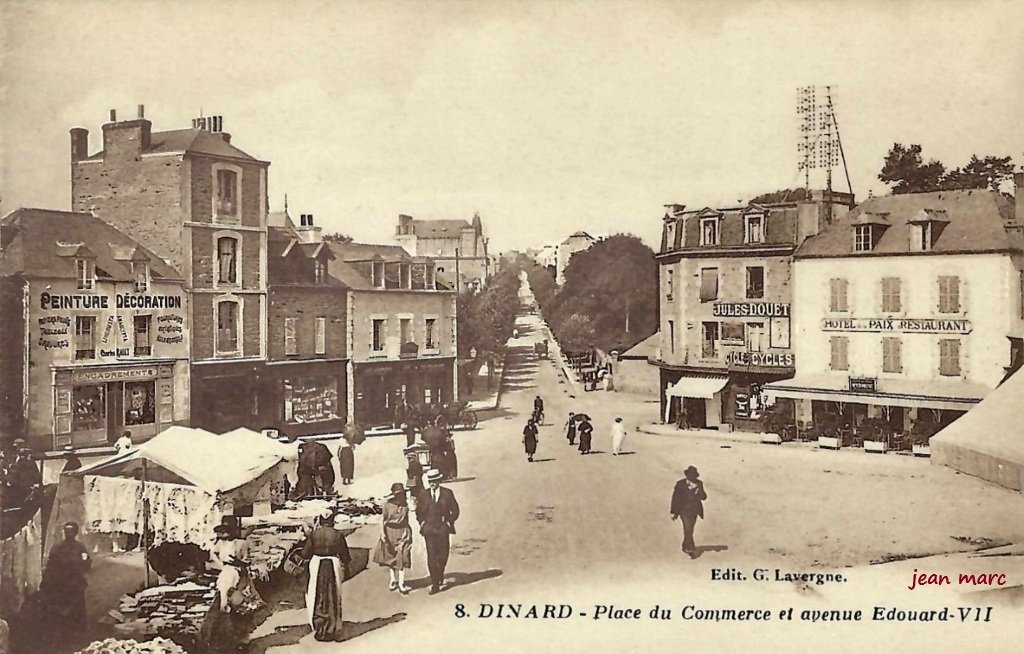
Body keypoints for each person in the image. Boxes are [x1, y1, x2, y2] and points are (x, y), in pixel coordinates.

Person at [301, 511, 352, 641]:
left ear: (321, 521)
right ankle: (332, 627)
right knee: (333, 595)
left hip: (317, 564)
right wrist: (346, 569)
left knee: (317, 595)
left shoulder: (314, 534)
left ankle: (320, 627)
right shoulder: (338, 535)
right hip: (333, 564)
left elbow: (305, 554)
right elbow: (345, 556)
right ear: (332, 520)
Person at [40, 522, 91, 639]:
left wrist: (82, 567)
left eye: (71, 532)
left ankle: (77, 629)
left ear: (75, 533)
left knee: (77, 606)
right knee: (62, 606)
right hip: (61, 583)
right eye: (67, 531)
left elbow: (86, 561)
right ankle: (64, 630)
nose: (69, 534)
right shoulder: (57, 548)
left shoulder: (80, 547)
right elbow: (50, 566)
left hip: (75, 582)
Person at [415, 469, 460, 595]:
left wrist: (449, 521)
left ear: (438, 481)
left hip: (442, 529)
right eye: (430, 481)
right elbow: (418, 511)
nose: (432, 484)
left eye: (434, 481)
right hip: (429, 529)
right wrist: (422, 522)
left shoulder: (447, 493)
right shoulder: (423, 494)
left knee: (443, 555)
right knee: (431, 556)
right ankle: (435, 583)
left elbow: (455, 510)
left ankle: (439, 573)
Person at [374, 483, 413, 595]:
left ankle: (401, 583)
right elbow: (383, 520)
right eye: (398, 494)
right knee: (391, 557)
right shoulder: (386, 505)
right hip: (389, 531)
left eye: (402, 494)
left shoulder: (406, 506)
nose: (401, 496)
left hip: (403, 531)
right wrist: (382, 533)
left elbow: (412, 512)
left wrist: (412, 502)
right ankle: (393, 580)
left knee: (403, 557)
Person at [670, 466, 708, 556]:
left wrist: (699, 492)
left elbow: (704, 497)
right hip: (683, 510)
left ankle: (685, 545)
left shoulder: (699, 484)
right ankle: (689, 548)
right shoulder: (680, 484)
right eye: (690, 475)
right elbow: (675, 498)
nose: (692, 477)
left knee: (690, 529)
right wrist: (675, 513)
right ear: (687, 475)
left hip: (694, 510)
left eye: (693, 476)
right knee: (688, 527)